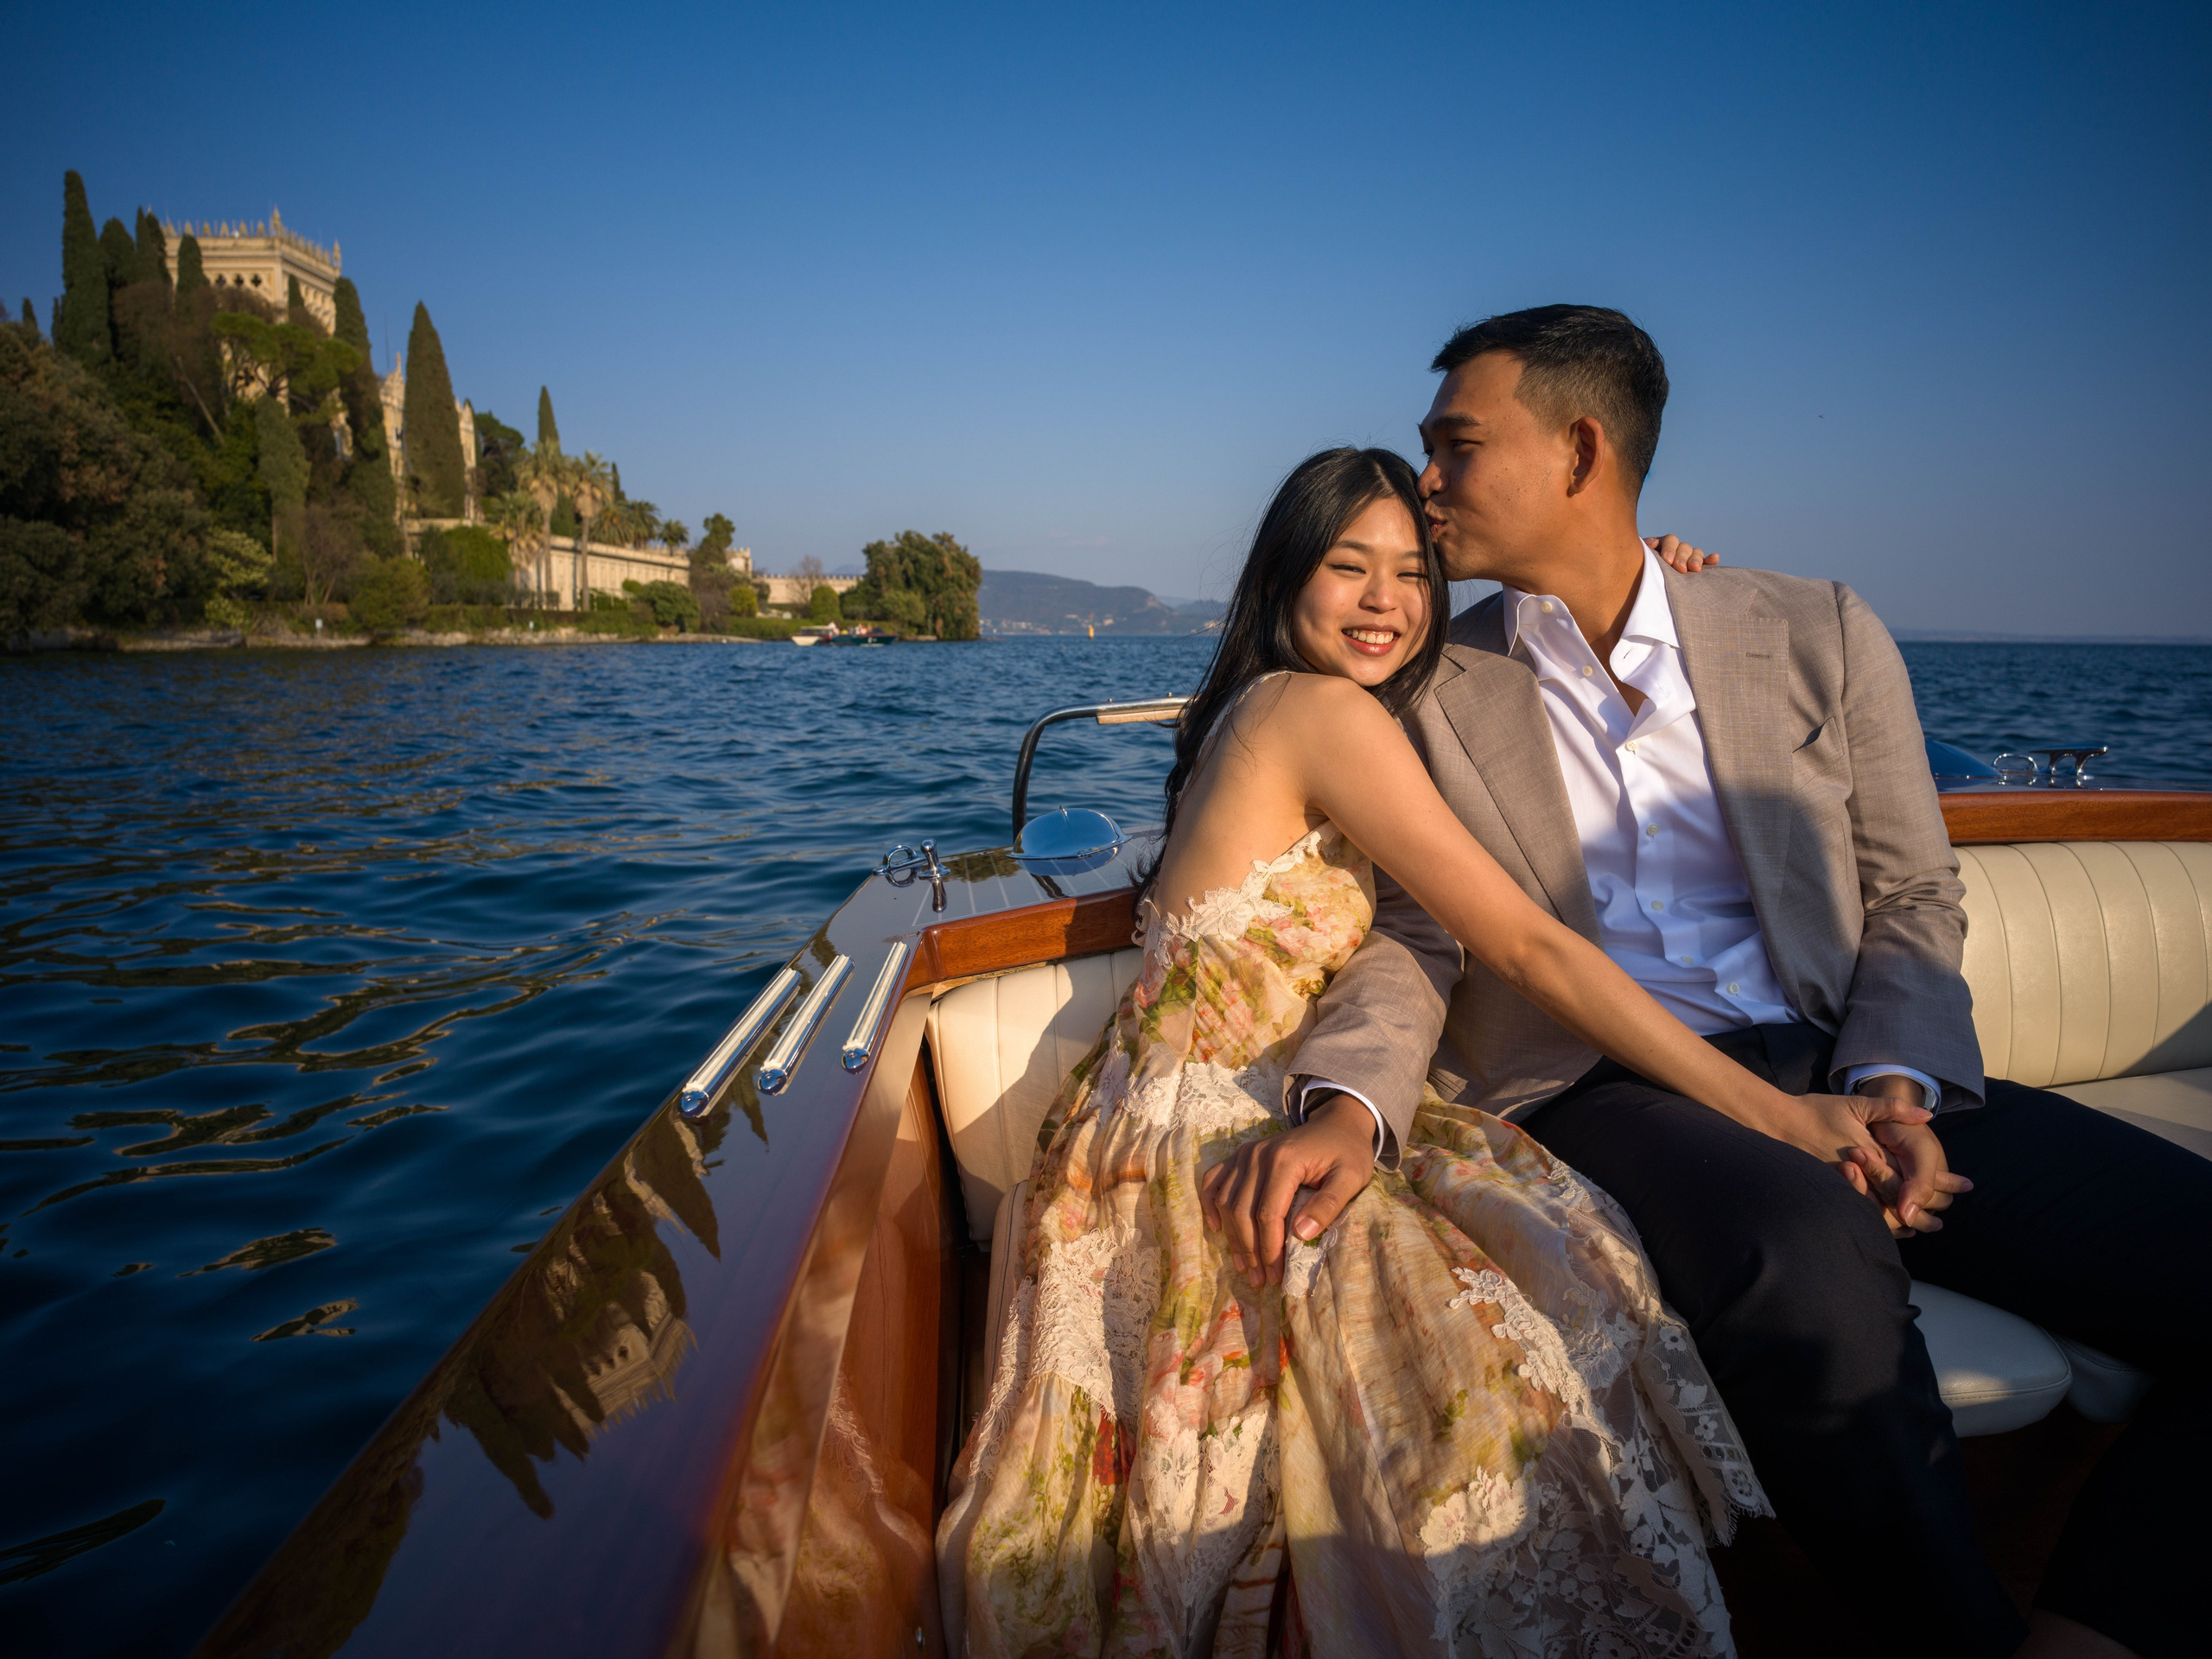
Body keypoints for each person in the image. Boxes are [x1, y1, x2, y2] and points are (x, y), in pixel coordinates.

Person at [1275, 305, 2212, 1659]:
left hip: (1845, 1056)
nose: (1425, 478)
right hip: (1607, 1089)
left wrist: (1894, 1089)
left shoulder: (1817, 629)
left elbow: (1912, 891)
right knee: (1806, 1256)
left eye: (1456, 445)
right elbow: (1416, 938)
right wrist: (1349, 1104)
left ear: (1580, 451)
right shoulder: (1420, 684)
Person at [938, 447, 1805, 1656]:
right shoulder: (1322, 712)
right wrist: (1782, 1115)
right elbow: (1526, 946)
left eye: (1413, 572)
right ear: (1287, 574)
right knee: (1487, 1379)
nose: (1387, 601)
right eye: (1350, 566)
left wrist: (1639, 578)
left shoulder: (1267, 707)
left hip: (1163, 1121)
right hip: (1210, 1146)